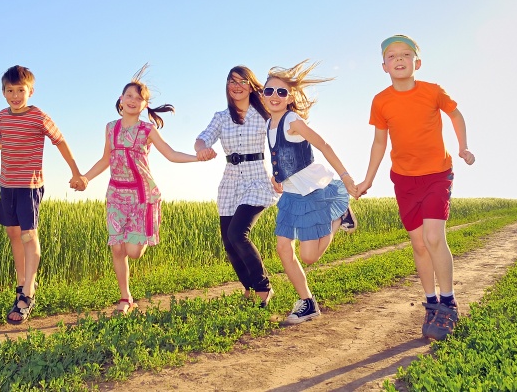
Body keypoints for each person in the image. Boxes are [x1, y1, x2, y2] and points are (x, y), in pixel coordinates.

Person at [356, 35, 476, 341]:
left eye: (406, 55)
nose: (399, 59)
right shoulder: (381, 101)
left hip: (437, 173)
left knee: (435, 236)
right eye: (392, 56)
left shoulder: (433, 91)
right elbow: (380, 142)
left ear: (416, 63)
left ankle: (449, 304)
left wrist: (463, 147)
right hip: (404, 179)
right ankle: (431, 303)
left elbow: (456, 114)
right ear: (384, 66)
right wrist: (368, 179)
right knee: (420, 244)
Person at [77, 65, 202, 314]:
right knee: (117, 247)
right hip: (115, 194)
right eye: (129, 96)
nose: (133, 100)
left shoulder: (147, 130)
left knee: (133, 252)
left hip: (143, 196)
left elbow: (171, 154)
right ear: (121, 100)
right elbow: (105, 159)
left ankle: (148, 228)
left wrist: (198, 158)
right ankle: (125, 299)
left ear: (145, 105)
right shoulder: (110, 127)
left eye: (139, 98)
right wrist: (86, 178)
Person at [0, 65, 86, 325]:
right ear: (3, 92)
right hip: (6, 184)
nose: (15, 95)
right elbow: (7, 141)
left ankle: (28, 293)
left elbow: (61, 141)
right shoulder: (1, 117)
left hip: (30, 186)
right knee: (13, 234)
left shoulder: (38, 117)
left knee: (28, 235)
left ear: (30, 91)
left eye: (20, 90)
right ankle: (21, 285)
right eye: (10, 90)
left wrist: (77, 173)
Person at [263, 60, 358, 324]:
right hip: (292, 196)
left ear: (289, 97)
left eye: (281, 92)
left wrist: (346, 177)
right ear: (262, 95)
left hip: (314, 191)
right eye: (269, 91)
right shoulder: (268, 126)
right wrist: (277, 177)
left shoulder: (293, 120)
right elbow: (279, 156)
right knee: (283, 248)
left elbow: (324, 146)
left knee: (309, 256)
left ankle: (339, 215)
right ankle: (307, 303)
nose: (274, 96)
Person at [194, 66, 279, 308]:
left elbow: (280, 142)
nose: (237, 85)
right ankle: (249, 288)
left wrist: (280, 172)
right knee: (228, 242)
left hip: (257, 180)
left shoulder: (264, 114)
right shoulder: (221, 117)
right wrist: (201, 148)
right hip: (230, 182)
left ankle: (263, 288)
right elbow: (203, 137)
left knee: (238, 234)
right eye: (232, 81)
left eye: (243, 81)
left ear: (252, 86)